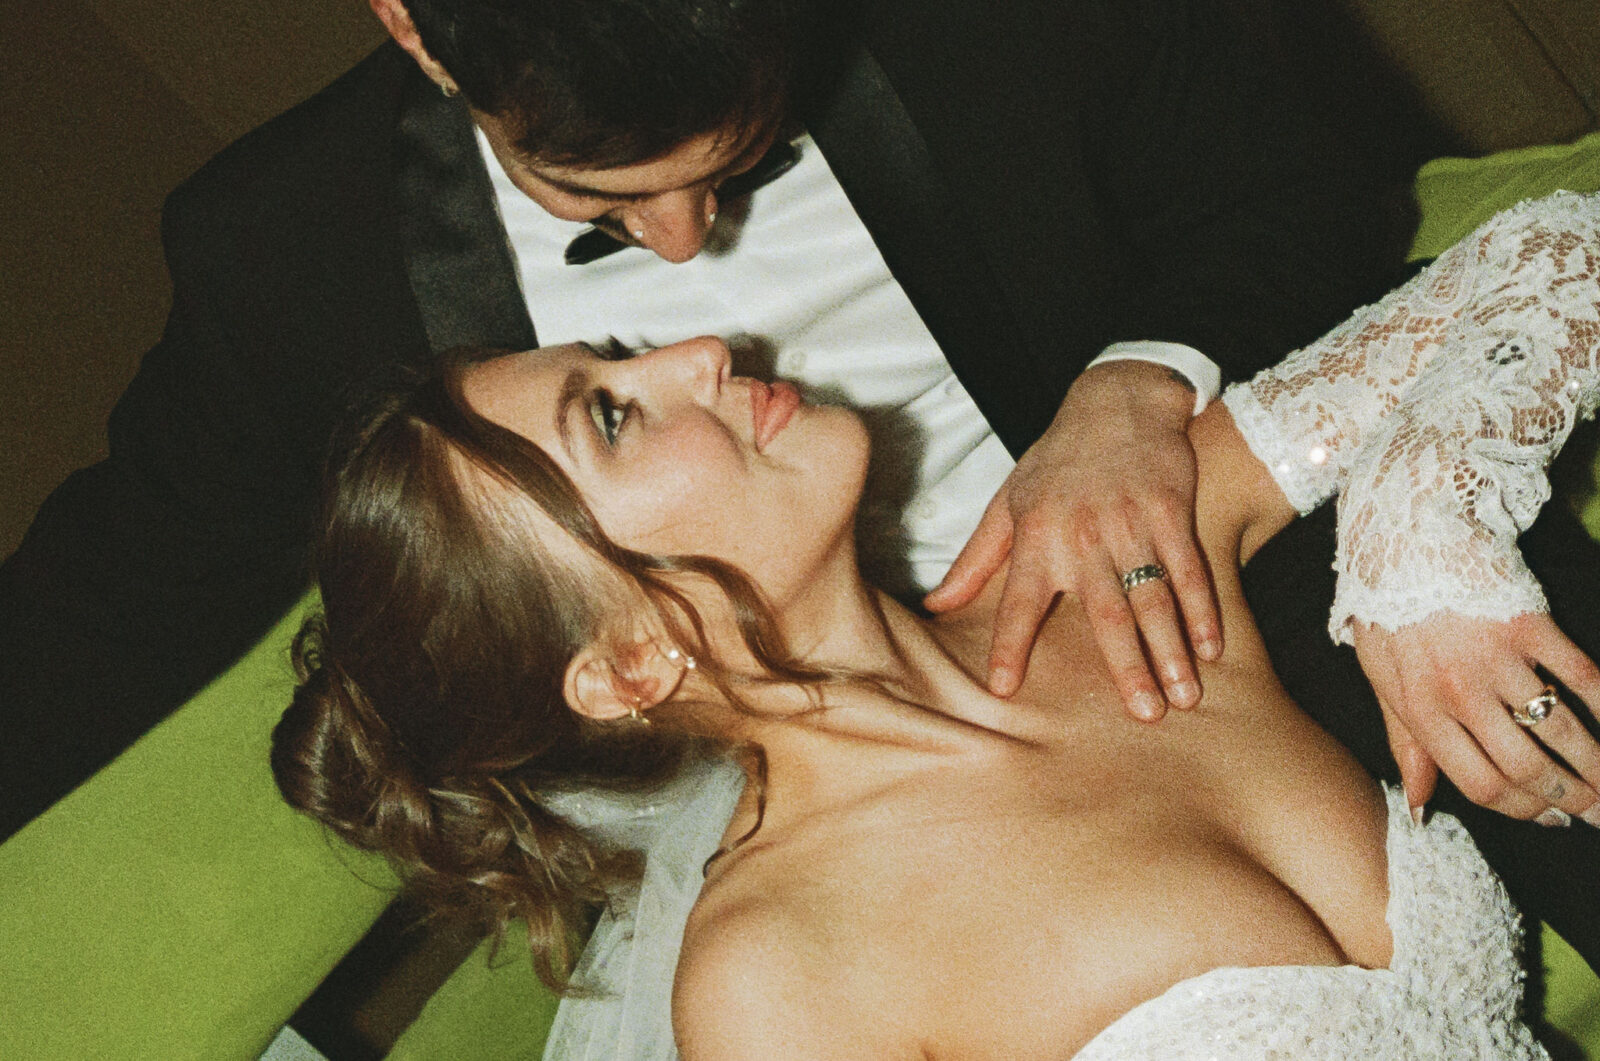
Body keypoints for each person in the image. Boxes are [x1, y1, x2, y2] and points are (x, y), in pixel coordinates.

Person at [0, 0, 1419, 833]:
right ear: (412, 28)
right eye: (603, 202)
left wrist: (1137, 383)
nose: (687, 256)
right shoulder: (289, 258)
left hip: (1217, 567)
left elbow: (1306, 181)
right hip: (840, 802)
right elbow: (114, 601)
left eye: (731, 162)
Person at [273, 193, 1600, 1057]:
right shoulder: (775, 982)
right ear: (629, 660)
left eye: (623, 355)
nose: (695, 356)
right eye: (612, 415)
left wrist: (1425, 529)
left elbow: (1556, 261)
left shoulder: (1112, 556)